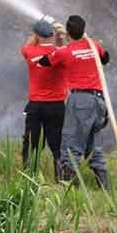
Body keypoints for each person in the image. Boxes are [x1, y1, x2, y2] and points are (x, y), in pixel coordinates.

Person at [40, 15, 111, 188]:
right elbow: (105, 58)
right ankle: (104, 187)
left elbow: (45, 62)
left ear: (68, 32)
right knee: (93, 144)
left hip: (80, 101)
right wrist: (77, 40)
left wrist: (58, 39)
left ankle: (70, 188)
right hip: (99, 101)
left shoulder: (66, 52)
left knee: (71, 142)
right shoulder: (94, 45)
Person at [20, 18, 68, 171]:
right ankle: (60, 177)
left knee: (31, 141)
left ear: (36, 35)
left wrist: (40, 28)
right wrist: (60, 37)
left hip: (35, 106)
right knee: (57, 143)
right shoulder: (59, 53)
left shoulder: (29, 51)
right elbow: (63, 52)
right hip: (56, 106)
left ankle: (28, 174)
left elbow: (27, 45)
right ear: (52, 34)